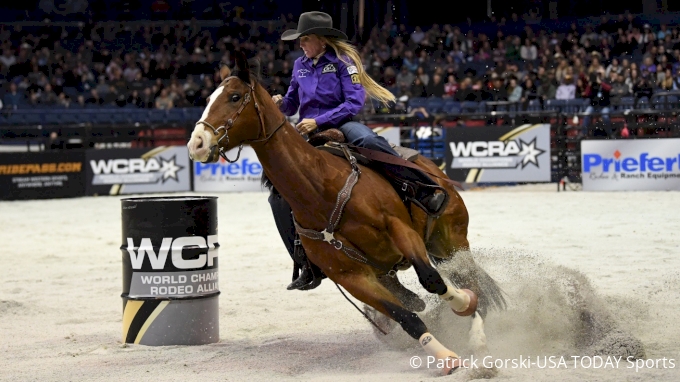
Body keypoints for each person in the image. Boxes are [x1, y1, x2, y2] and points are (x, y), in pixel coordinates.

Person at [270, 11, 448, 291]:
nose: (301, 44)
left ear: (322, 40)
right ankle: (305, 263)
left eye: (305, 39)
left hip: (342, 123)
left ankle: (422, 188)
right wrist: (278, 103)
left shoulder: (344, 62)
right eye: (301, 40)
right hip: (308, 130)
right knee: (278, 193)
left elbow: (353, 103)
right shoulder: (299, 66)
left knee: (370, 142)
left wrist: (319, 120)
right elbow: (292, 102)